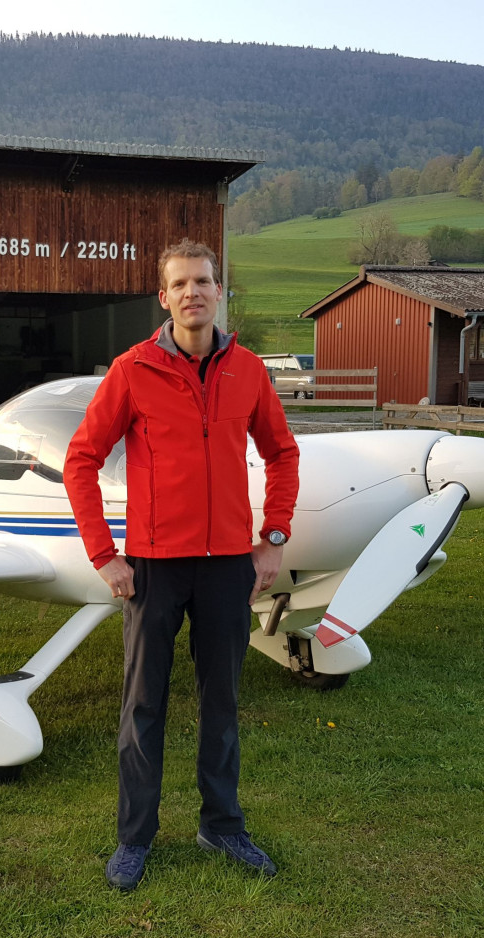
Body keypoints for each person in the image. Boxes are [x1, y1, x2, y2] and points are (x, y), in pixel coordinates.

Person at [63, 239, 300, 890]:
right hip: (153, 568)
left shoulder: (248, 370)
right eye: (180, 284)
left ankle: (222, 826)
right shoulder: (133, 370)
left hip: (227, 565)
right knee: (143, 706)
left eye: (203, 281)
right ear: (163, 298)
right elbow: (81, 460)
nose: (193, 292)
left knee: (222, 702)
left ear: (218, 291)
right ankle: (135, 839)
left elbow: (282, 453)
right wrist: (103, 554)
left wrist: (273, 534)